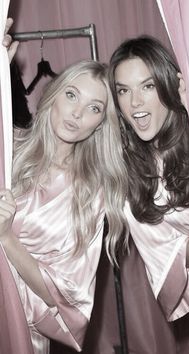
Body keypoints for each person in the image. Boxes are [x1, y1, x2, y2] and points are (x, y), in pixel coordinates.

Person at [82, 35, 189, 354]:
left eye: (147, 86)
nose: (135, 104)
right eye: (124, 91)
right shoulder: (133, 174)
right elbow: (165, 257)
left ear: (168, 84)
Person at [0, 24, 129, 353]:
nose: (77, 112)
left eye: (94, 108)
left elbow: (66, 294)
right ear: (55, 92)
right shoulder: (8, 149)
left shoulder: (90, 194)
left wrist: (6, 239)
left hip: (20, 332)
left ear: (101, 124)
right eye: (72, 95)